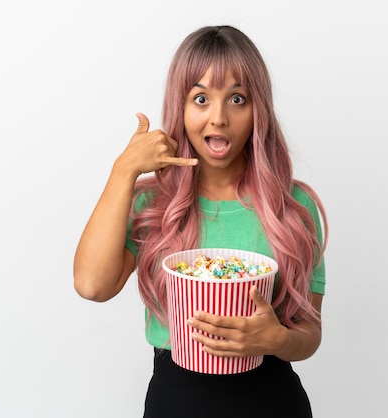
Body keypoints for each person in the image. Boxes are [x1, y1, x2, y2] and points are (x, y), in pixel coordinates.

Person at [73, 25, 328, 418]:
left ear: (258, 108)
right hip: (177, 400)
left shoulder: (294, 206)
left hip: (273, 399)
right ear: (181, 107)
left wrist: (277, 339)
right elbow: (92, 286)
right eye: (201, 98)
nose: (219, 117)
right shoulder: (152, 204)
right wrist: (122, 172)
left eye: (238, 98)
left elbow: (310, 336)